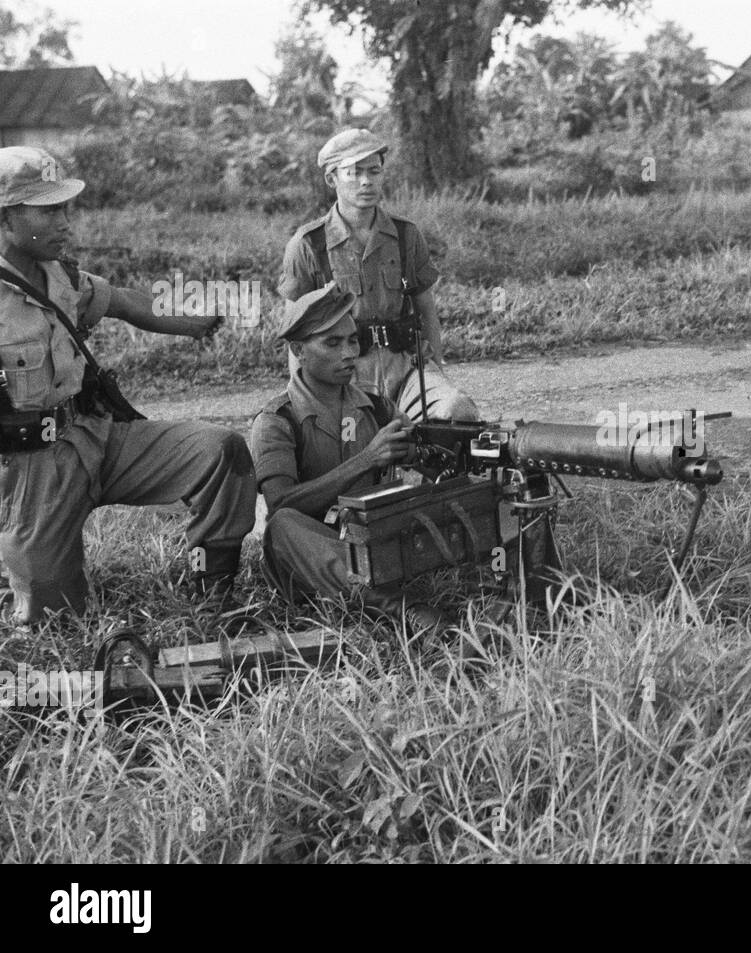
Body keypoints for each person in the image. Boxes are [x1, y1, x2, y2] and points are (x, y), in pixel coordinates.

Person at [0, 146, 256, 626]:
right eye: (49, 210)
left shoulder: (61, 275)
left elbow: (122, 302)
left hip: (95, 437)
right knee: (53, 621)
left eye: (66, 208)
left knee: (220, 451)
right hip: (31, 472)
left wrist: (197, 322)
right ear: (6, 217)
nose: (65, 223)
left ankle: (212, 597)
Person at [250, 280, 446, 638]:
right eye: (332, 342)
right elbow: (281, 503)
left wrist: (429, 451)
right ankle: (400, 609)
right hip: (311, 554)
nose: (349, 353)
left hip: (371, 539)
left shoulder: (375, 406)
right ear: (299, 350)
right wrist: (367, 459)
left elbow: (428, 460)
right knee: (283, 526)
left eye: (353, 340)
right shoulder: (277, 420)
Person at [277, 128, 478, 420]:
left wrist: (436, 372)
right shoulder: (308, 245)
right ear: (331, 179)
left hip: (406, 369)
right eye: (354, 173)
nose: (366, 181)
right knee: (353, 447)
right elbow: (295, 333)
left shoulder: (405, 234)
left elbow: (426, 310)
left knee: (457, 414)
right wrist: (304, 399)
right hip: (344, 378)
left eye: (374, 171)